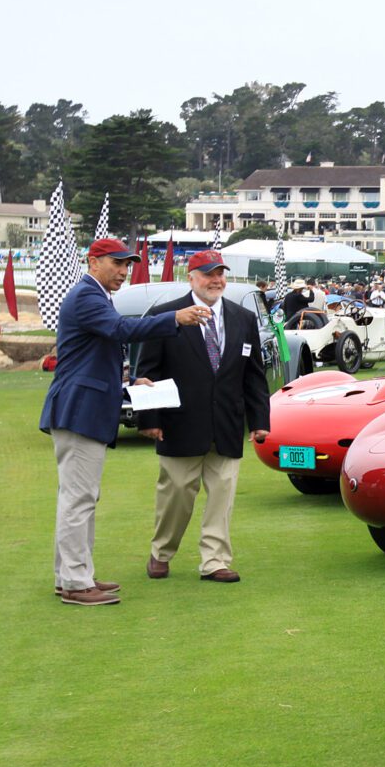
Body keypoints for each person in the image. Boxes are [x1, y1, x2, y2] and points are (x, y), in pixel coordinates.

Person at [39, 240, 212, 606]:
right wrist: (174, 318)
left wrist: (129, 384)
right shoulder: (87, 296)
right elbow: (121, 330)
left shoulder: (95, 296)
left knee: (80, 498)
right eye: (116, 263)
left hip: (82, 409)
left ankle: (73, 575)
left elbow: (92, 360)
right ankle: (73, 581)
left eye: (127, 265)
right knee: (78, 500)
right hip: (78, 411)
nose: (123, 271)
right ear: (93, 261)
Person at [134, 249, 270, 584]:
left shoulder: (242, 318)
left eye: (220, 273)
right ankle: (161, 552)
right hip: (179, 424)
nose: (216, 280)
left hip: (226, 423)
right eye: (208, 274)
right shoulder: (166, 315)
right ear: (191, 278)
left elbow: (253, 375)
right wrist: (149, 419)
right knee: (176, 495)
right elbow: (147, 370)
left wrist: (260, 421)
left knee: (222, 495)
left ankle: (215, 561)